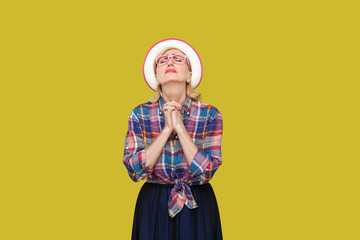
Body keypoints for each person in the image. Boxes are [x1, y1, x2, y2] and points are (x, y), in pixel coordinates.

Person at [122, 38, 223, 240]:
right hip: (153, 204)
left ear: (190, 74)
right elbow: (134, 170)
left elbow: (207, 170)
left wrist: (180, 127)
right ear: (156, 76)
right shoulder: (139, 114)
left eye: (177, 58)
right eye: (162, 60)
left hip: (198, 203)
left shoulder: (210, 114)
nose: (169, 62)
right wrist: (167, 129)